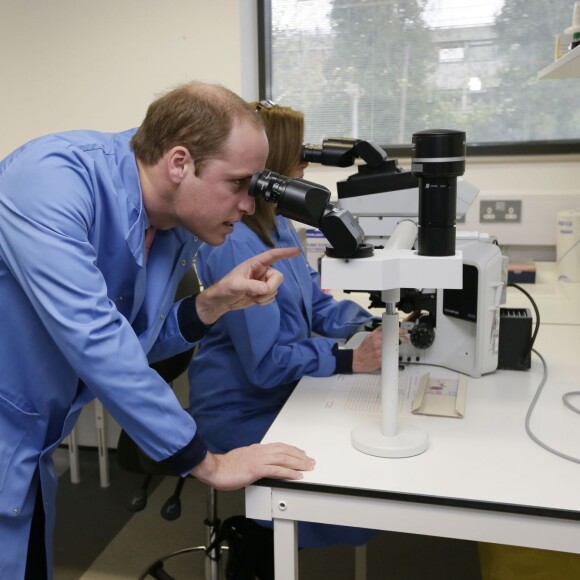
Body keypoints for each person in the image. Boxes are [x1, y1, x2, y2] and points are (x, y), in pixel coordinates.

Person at [0, 82, 315, 580]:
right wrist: (208, 464)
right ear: (179, 163)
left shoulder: (169, 223)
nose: (249, 206)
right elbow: (98, 341)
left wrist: (209, 306)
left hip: (31, 440)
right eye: (238, 184)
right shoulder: (50, 180)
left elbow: (136, 341)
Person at [188, 101, 388, 578]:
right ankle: (257, 550)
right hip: (242, 407)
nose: (305, 167)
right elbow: (266, 362)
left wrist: (373, 323)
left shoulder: (278, 225)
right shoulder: (235, 241)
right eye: (298, 157)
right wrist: (347, 360)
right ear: (270, 168)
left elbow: (317, 305)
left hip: (283, 389)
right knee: (343, 464)